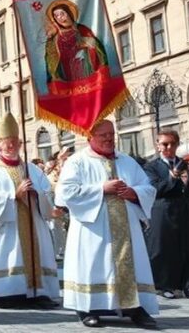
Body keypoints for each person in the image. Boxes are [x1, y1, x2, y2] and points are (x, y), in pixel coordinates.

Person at [57, 120, 157, 329]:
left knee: (129, 266)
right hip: (93, 229)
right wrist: (101, 188)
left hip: (126, 228)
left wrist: (134, 193)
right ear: (89, 137)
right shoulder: (77, 161)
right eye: (103, 135)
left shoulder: (127, 160)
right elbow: (65, 193)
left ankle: (134, 307)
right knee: (94, 265)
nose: (109, 138)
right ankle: (88, 309)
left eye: (111, 134)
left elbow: (148, 187)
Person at [0, 113, 59, 308]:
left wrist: (36, 194)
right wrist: (14, 195)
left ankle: (39, 291)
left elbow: (47, 191)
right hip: (6, 227)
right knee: (12, 255)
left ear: (21, 144)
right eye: (7, 142)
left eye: (15, 142)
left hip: (33, 222)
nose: (12, 146)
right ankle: (9, 292)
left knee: (36, 250)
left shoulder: (32, 169)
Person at [142, 129, 189, 300]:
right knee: (164, 248)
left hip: (185, 210)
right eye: (165, 144)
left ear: (177, 145)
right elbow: (155, 189)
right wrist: (173, 176)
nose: (169, 147)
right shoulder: (151, 167)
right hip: (163, 211)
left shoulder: (186, 164)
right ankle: (164, 285)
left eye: (172, 143)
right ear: (158, 146)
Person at [43, 0, 108, 86]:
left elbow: (98, 48)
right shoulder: (54, 38)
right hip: (67, 76)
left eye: (62, 14)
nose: (60, 18)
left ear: (69, 13)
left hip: (86, 70)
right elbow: (51, 62)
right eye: (56, 16)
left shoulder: (82, 29)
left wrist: (88, 45)